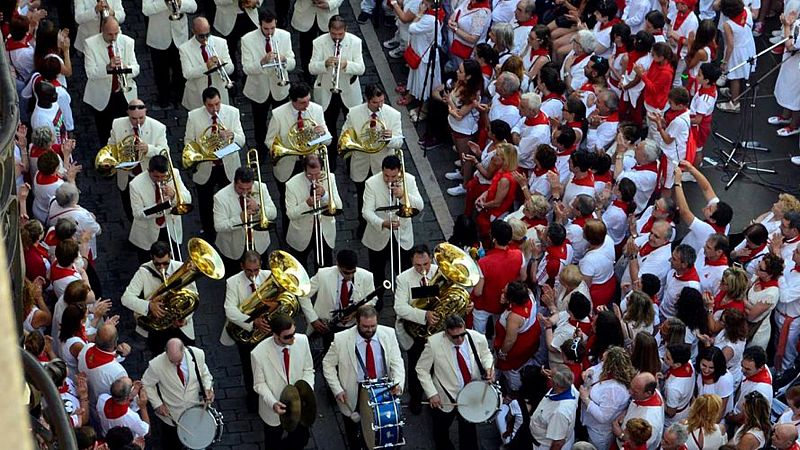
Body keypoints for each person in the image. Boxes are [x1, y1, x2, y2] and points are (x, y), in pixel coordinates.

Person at [322, 306, 405, 450]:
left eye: (373, 326)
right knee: (353, 431)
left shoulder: (389, 334)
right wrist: (337, 390)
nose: (370, 330)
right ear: (357, 322)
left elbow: (397, 362)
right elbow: (327, 364)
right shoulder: (341, 339)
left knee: (383, 429)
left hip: (382, 387)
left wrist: (398, 384)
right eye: (365, 326)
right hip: (354, 390)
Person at [416, 314, 494, 450]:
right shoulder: (434, 343)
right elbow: (421, 369)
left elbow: (486, 354)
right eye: (455, 337)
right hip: (445, 396)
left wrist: (488, 367)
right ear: (446, 333)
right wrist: (432, 393)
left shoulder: (477, 338)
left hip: (470, 395)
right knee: (441, 430)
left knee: (469, 432)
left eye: (462, 334)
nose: (460, 339)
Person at [264, 82, 330, 232]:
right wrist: (288, 148)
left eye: (308, 100)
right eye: (302, 102)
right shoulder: (278, 114)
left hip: (311, 162)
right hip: (288, 163)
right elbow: (269, 141)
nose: (307, 105)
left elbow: (328, 141)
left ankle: (313, 225)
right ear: (293, 101)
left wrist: (322, 134)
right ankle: (288, 227)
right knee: (286, 197)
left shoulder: (316, 109)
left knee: (313, 192)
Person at [186, 86, 245, 239]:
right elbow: (189, 142)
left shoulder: (232, 112)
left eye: (217, 104)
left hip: (228, 166)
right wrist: (202, 148)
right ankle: (209, 231)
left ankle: (231, 228)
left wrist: (232, 136)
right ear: (204, 104)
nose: (215, 109)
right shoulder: (193, 117)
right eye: (210, 105)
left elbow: (242, 140)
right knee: (205, 202)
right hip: (206, 166)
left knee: (230, 198)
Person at [121, 241, 198, 353]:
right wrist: (149, 306)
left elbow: (193, 296)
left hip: (180, 327)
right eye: (157, 264)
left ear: (170, 256)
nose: (162, 267)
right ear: (152, 257)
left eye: (165, 263)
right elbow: (126, 298)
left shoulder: (183, 268)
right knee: (159, 358)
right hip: (155, 327)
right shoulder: (143, 271)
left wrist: (184, 317)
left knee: (190, 356)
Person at [309, 16, 365, 169]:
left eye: (340, 34)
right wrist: (325, 63)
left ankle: (350, 159)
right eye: (334, 34)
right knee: (329, 125)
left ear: (345, 30)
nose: (337, 38)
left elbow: (361, 68)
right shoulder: (319, 42)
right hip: (328, 91)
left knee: (352, 127)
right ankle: (331, 157)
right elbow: (312, 68)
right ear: (329, 30)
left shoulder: (355, 42)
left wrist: (347, 64)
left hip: (349, 91)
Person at [251, 314, 314, 450]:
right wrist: (273, 403)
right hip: (274, 409)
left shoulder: (302, 341)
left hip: (299, 406)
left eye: (293, 334)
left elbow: (308, 369)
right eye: (287, 337)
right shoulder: (258, 353)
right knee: (273, 442)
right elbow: (259, 384)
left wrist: (307, 391)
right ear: (275, 335)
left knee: (301, 439)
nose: (292, 339)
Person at [362, 154, 424, 289]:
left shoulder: (409, 180)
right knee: (377, 271)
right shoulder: (371, 183)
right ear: (382, 170)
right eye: (386, 176)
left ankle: (404, 296)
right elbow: (366, 211)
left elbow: (419, 205)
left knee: (404, 270)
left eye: (393, 176)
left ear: (399, 172)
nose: (389, 180)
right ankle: (378, 297)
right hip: (379, 235)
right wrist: (382, 223)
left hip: (402, 235)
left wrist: (403, 195)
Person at [344, 84, 404, 225]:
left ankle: (383, 222)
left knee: (383, 195)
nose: (379, 106)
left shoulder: (393, 114)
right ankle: (363, 223)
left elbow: (399, 142)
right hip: (361, 163)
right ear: (367, 100)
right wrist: (356, 142)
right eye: (375, 102)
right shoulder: (353, 113)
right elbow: (345, 135)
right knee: (362, 196)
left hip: (382, 164)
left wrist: (390, 138)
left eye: (382, 101)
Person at [219, 251, 271, 412]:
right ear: (242, 267)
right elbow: (230, 310)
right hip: (246, 333)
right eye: (249, 270)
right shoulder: (233, 282)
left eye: (256, 270)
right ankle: (253, 399)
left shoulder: (270, 276)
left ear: (260, 265)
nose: (253, 274)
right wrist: (253, 323)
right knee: (250, 368)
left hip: (267, 330)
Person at [142, 338, 214, 448]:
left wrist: (208, 389)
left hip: (197, 411)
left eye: (179, 361)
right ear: (166, 352)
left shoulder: (197, 354)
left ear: (183, 349)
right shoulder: (156, 364)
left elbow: (205, 374)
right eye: (172, 361)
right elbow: (147, 384)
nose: (176, 363)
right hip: (173, 417)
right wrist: (158, 404)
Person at [241, 9, 295, 158]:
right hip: (259, 88)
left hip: (280, 86)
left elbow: (292, 63)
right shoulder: (247, 39)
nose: (270, 32)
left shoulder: (285, 36)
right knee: (259, 122)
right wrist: (263, 61)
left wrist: (284, 59)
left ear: (276, 23)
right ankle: (262, 148)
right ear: (260, 25)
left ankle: (280, 145)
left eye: (272, 28)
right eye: (266, 28)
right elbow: (247, 69)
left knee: (282, 119)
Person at [299, 248, 376, 350]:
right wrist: (313, 320)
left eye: (353, 272)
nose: (350, 276)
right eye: (346, 273)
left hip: (353, 325)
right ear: (338, 265)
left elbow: (372, 300)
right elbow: (303, 294)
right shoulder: (323, 275)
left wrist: (355, 313)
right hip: (327, 325)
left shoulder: (367, 276)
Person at [393, 245, 438, 414]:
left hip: (437, 328)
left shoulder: (439, 271)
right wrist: (424, 315)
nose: (423, 269)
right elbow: (399, 308)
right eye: (418, 266)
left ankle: (435, 393)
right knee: (415, 365)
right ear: (412, 262)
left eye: (426, 264)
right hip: (414, 331)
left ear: (431, 259)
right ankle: (416, 396)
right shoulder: (403, 278)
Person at [107, 99, 168, 222]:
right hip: (127, 174)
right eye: (134, 119)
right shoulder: (117, 124)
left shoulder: (158, 127)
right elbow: (111, 146)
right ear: (128, 113)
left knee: (148, 202)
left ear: (145, 111)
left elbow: (165, 152)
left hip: (147, 174)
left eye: (141, 118)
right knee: (128, 205)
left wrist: (148, 149)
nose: (138, 122)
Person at [83, 17, 139, 144]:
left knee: (127, 128)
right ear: (102, 29)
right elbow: (90, 73)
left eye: (116, 33)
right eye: (110, 34)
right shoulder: (90, 44)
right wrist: (107, 68)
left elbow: (136, 68)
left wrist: (125, 68)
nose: (113, 38)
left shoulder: (127, 42)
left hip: (124, 93)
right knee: (105, 130)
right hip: (102, 96)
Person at [128, 155, 192, 263]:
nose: (161, 180)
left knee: (175, 260)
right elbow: (137, 214)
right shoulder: (135, 184)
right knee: (148, 264)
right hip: (148, 232)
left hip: (170, 227)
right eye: (157, 177)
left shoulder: (174, 173)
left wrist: (174, 195)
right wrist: (158, 207)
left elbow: (188, 199)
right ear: (149, 171)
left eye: (164, 176)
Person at [213, 166, 276, 274]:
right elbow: (219, 226)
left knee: (261, 273)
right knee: (234, 275)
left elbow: (273, 213)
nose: (245, 192)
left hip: (259, 243)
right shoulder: (220, 197)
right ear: (235, 183)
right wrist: (240, 219)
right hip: (234, 247)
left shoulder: (261, 187)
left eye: (249, 189)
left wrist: (259, 208)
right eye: (241, 189)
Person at [285, 154, 342, 271]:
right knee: (299, 269)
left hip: (324, 230)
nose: (314, 178)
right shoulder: (291, 184)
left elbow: (339, 206)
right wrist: (307, 204)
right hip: (301, 233)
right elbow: (290, 214)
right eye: (310, 174)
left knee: (325, 269)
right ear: (304, 170)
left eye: (317, 174)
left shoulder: (329, 178)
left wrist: (325, 195)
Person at [471, 220, 525, 334]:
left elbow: (478, 292)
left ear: (494, 238)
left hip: (484, 305)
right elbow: (523, 277)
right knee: (500, 330)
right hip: (505, 303)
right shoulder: (519, 255)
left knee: (479, 333)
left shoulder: (483, 263)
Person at [141, 0, 196, 109]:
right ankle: (163, 98)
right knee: (160, 72)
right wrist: (165, 2)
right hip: (158, 36)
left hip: (180, 36)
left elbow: (193, 6)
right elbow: (146, 10)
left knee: (180, 69)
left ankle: (179, 96)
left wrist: (180, 4)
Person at [580, 346, 634, 450]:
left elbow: (603, 416)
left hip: (599, 433)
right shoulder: (607, 369)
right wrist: (589, 371)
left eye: (603, 361)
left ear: (610, 365)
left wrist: (586, 398)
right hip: (589, 424)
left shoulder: (615, 389)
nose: (601, 362)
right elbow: (596, 367)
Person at [494, 281, 541, 392]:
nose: (502, 291)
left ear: (512, 299)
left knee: (511, 370)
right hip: (531, 334)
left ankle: (514, 390)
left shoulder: (514, 317)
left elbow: (510, 340)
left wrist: (502, 352)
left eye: (505, 292)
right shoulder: (528, 293)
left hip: (516, 347)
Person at [178, 17, 233, 110]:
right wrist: (206, 66)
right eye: (201, 36)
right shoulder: (184, 48)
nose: (205, 38)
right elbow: (187, 74)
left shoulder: (221, 43)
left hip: (219, 92)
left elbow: (231, 69)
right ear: (193, 32)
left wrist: (222, 63)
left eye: (207, 34)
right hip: (197, 94)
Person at [77, 323, 129, 406]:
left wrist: (119, 354)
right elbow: (124, 397)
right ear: (115, 343)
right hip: (102, 409)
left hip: (84, 400)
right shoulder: (119, 372)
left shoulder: (86, 347)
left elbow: (104, 357)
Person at [529, 366, 580, 449]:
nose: (549, 377)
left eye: (550, 377)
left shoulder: (559, 412)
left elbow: (558, 443)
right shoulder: (568, 386)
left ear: (556, 384)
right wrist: (553, 375)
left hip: (544, 446)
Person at [292, 0, 343, 81]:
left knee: (328, 47)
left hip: (327, 15)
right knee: (305, 48)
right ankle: (307, 73)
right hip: (305, 15)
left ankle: (328, 74)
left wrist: (330, 4)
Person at [614, 372, 663, 450]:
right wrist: (625, 413)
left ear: (648, 393)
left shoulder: (650, 420)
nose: (629, 392)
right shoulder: (651, 393)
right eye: (631, 387)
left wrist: (621, 435)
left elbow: (640, 444)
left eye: (635, 391)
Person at [745, 253, 782, 349]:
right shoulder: (758, 278)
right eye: (758, 264)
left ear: (770, 274)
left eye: (761, 268)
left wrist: (741, 299)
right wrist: (751, 307)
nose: (757, 268)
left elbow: (751, 316)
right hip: (744, 326)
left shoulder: (771, 293)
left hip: (756, 332)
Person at [695, 347, 734, 417]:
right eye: (704, 365)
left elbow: (722, 409)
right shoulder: (700, 372)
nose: (706, 370)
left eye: (711, 368)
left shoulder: (724, 380)